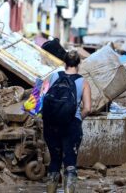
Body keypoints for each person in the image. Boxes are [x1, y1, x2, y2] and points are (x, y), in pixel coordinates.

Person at [42, 50, 91, 193]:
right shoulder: (83, 82)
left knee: (54, 161)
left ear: (64, 62)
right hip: (71, 126)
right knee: (70, 163)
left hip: (51, 125)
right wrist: (77, 119)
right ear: (79, 64)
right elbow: (88, 108)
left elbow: (40, 96)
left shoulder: (53, 76)